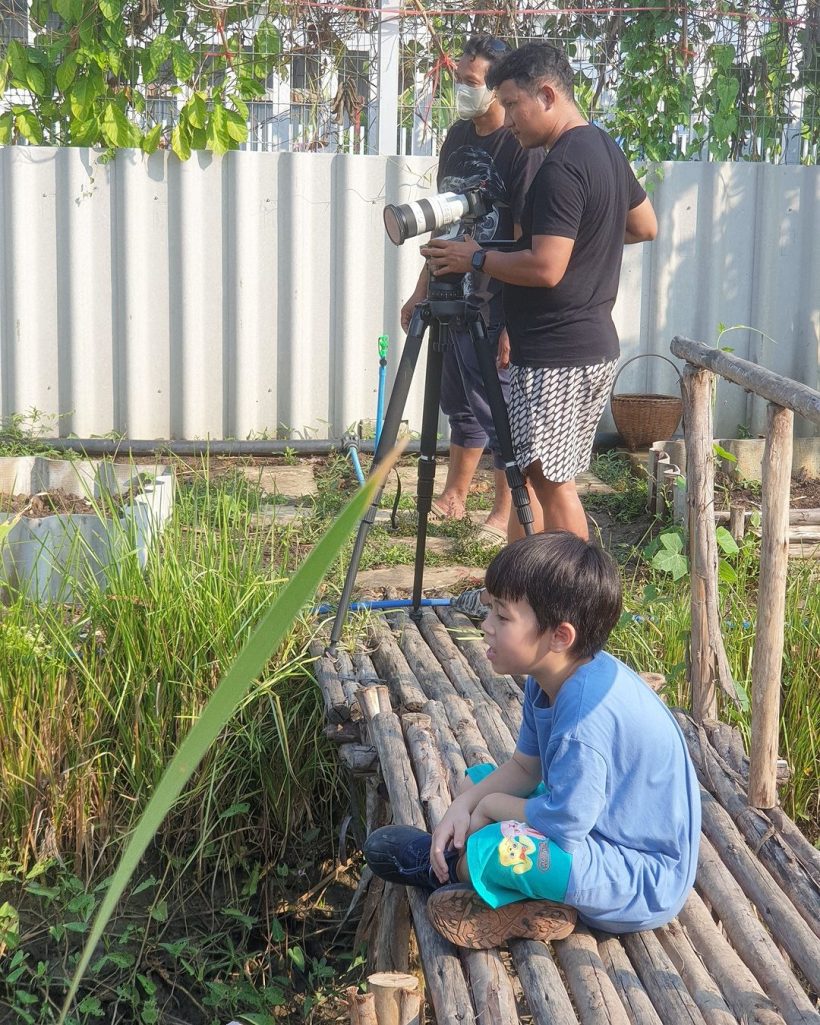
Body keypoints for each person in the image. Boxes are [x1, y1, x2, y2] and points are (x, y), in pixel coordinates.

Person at [363, 531, 701, 949]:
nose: (485, 626)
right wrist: (464, 804)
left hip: (637, 878)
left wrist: (487, 808)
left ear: (560, 636)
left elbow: (565, 824)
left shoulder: (583, 719)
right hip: (598, 825)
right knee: (475, 780)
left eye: (502, 618)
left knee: (490, 849)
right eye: (490, 612)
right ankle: (512, 889)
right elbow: (525, 768)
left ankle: (450, 870)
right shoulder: (553, 676)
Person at [422, 42, 658, 544]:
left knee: (552, 485)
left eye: (512, 104)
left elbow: (547, 268)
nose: (507, 119)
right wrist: (582, 235)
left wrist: (475, 257)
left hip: (559, 353)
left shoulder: (560, 168)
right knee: (532, 477)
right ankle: (514, 591)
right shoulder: (603, 148)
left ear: (547, 95)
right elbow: (644, 224)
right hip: (586, 346)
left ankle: (574, 603)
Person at [402, 36, 545, 544]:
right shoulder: (459, 137)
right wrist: (423, 286)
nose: (461, 89)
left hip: (494, 293)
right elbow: (443, 216)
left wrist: (510, 320)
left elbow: (530, 236)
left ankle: (504, 510)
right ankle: (455, 495)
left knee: (499, 408)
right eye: (458, 80)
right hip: (451, 287)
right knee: (458, 400)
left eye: (471, 82)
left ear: (499, 87)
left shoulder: (519, 144)